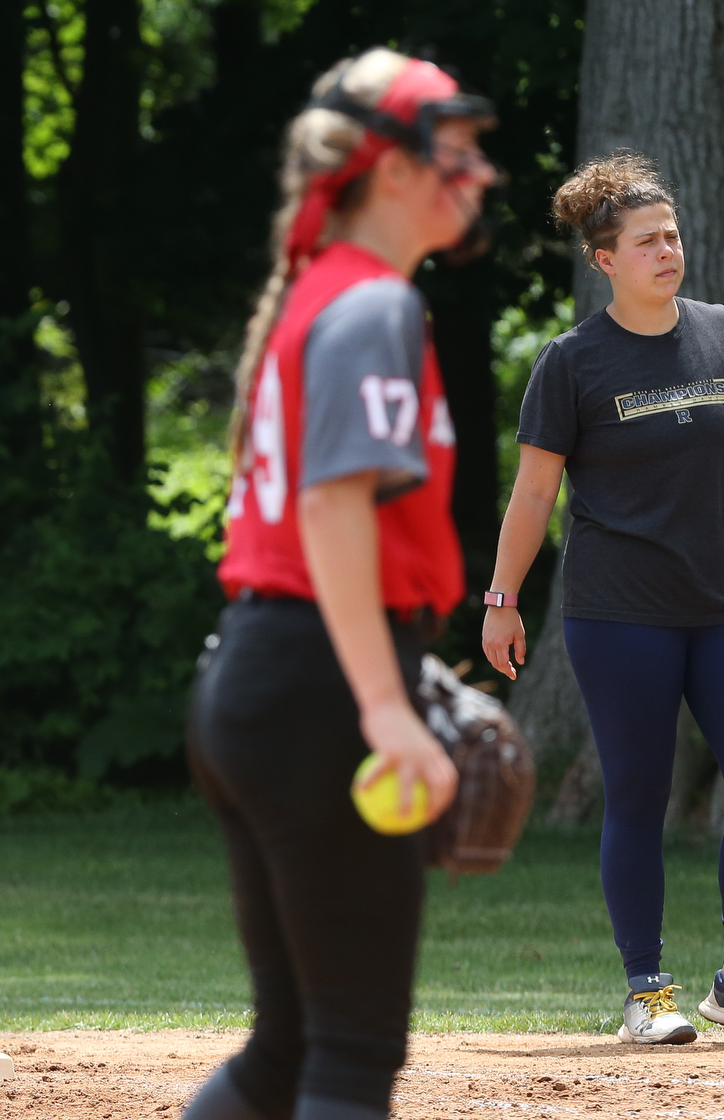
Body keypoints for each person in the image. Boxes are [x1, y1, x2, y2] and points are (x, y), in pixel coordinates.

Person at [185, 48, 497, 1120]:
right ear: (389, 166)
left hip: (258, 677)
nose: (478, 173)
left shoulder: (328, 294)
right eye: (452, 150)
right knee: (351, 1056)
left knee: (290, 1049)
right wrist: (381, 704)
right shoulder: (370, 305)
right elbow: (330, 505)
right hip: (321, 685)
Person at [483, 151, 724, 1045]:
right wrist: (501, 599)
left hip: (719, 605)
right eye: (647, 241)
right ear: (604, 260)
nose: (668, 251)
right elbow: (534, 495)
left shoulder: (721, 333)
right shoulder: (573, 363)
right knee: (637, 794)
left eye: (673, 235)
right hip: (620, 613)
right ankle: (647, 994)